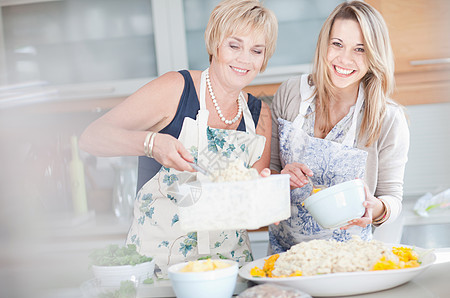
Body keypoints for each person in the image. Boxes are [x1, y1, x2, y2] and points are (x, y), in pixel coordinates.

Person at [79, 0, 277, 274]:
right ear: (215, 44)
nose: (245, 59)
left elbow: (251, 206)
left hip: (229, 269)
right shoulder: (176, 88)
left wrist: (267, 192)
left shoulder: (260, 113)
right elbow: (91, 137)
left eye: (256, 50)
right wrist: (152, 143)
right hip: (157, 269)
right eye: (234, 45)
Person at [269, 1, 409, 253]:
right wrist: (280, 179)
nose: (345, 59)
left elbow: (393, 197)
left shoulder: (387, 117)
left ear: (375, 54)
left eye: (360, 49)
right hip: (285, 259)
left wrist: (376, 207)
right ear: (324, 44)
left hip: (351, 261)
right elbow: (268, 171)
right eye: (337, 44)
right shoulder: (290, 93)